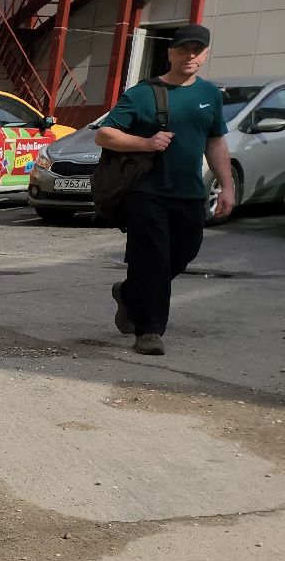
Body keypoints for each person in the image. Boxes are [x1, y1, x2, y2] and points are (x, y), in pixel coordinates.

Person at [94, 24, 235, 356]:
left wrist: (226, 185)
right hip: (147, 191)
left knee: (185, 251)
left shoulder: (209, 94)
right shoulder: (143, 93)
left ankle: (130, 294)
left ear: (205, 54)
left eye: (196, 50)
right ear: (170, 53)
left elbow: (215, 142)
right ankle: (149, 331)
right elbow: (104, 134)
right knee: (153, 258)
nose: (190, 55)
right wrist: (145, 142)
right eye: (183, 49)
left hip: (190, 192)